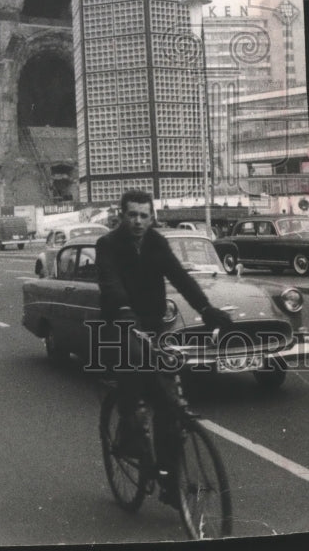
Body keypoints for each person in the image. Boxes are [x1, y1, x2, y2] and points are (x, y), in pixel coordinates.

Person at [95, 190, 233, 509]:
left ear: (152, 216)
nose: (139, 221)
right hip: (122, 323)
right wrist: (124, 308)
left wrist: (206, 309)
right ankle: (129, 437)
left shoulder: (157, 243)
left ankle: (170, 482)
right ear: (121, 215)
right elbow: (109, 280)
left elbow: (180, 277)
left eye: (144, 215)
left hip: (155, 326)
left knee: (170, 404)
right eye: (132, 215)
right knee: (136, 383)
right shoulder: (108, 244)